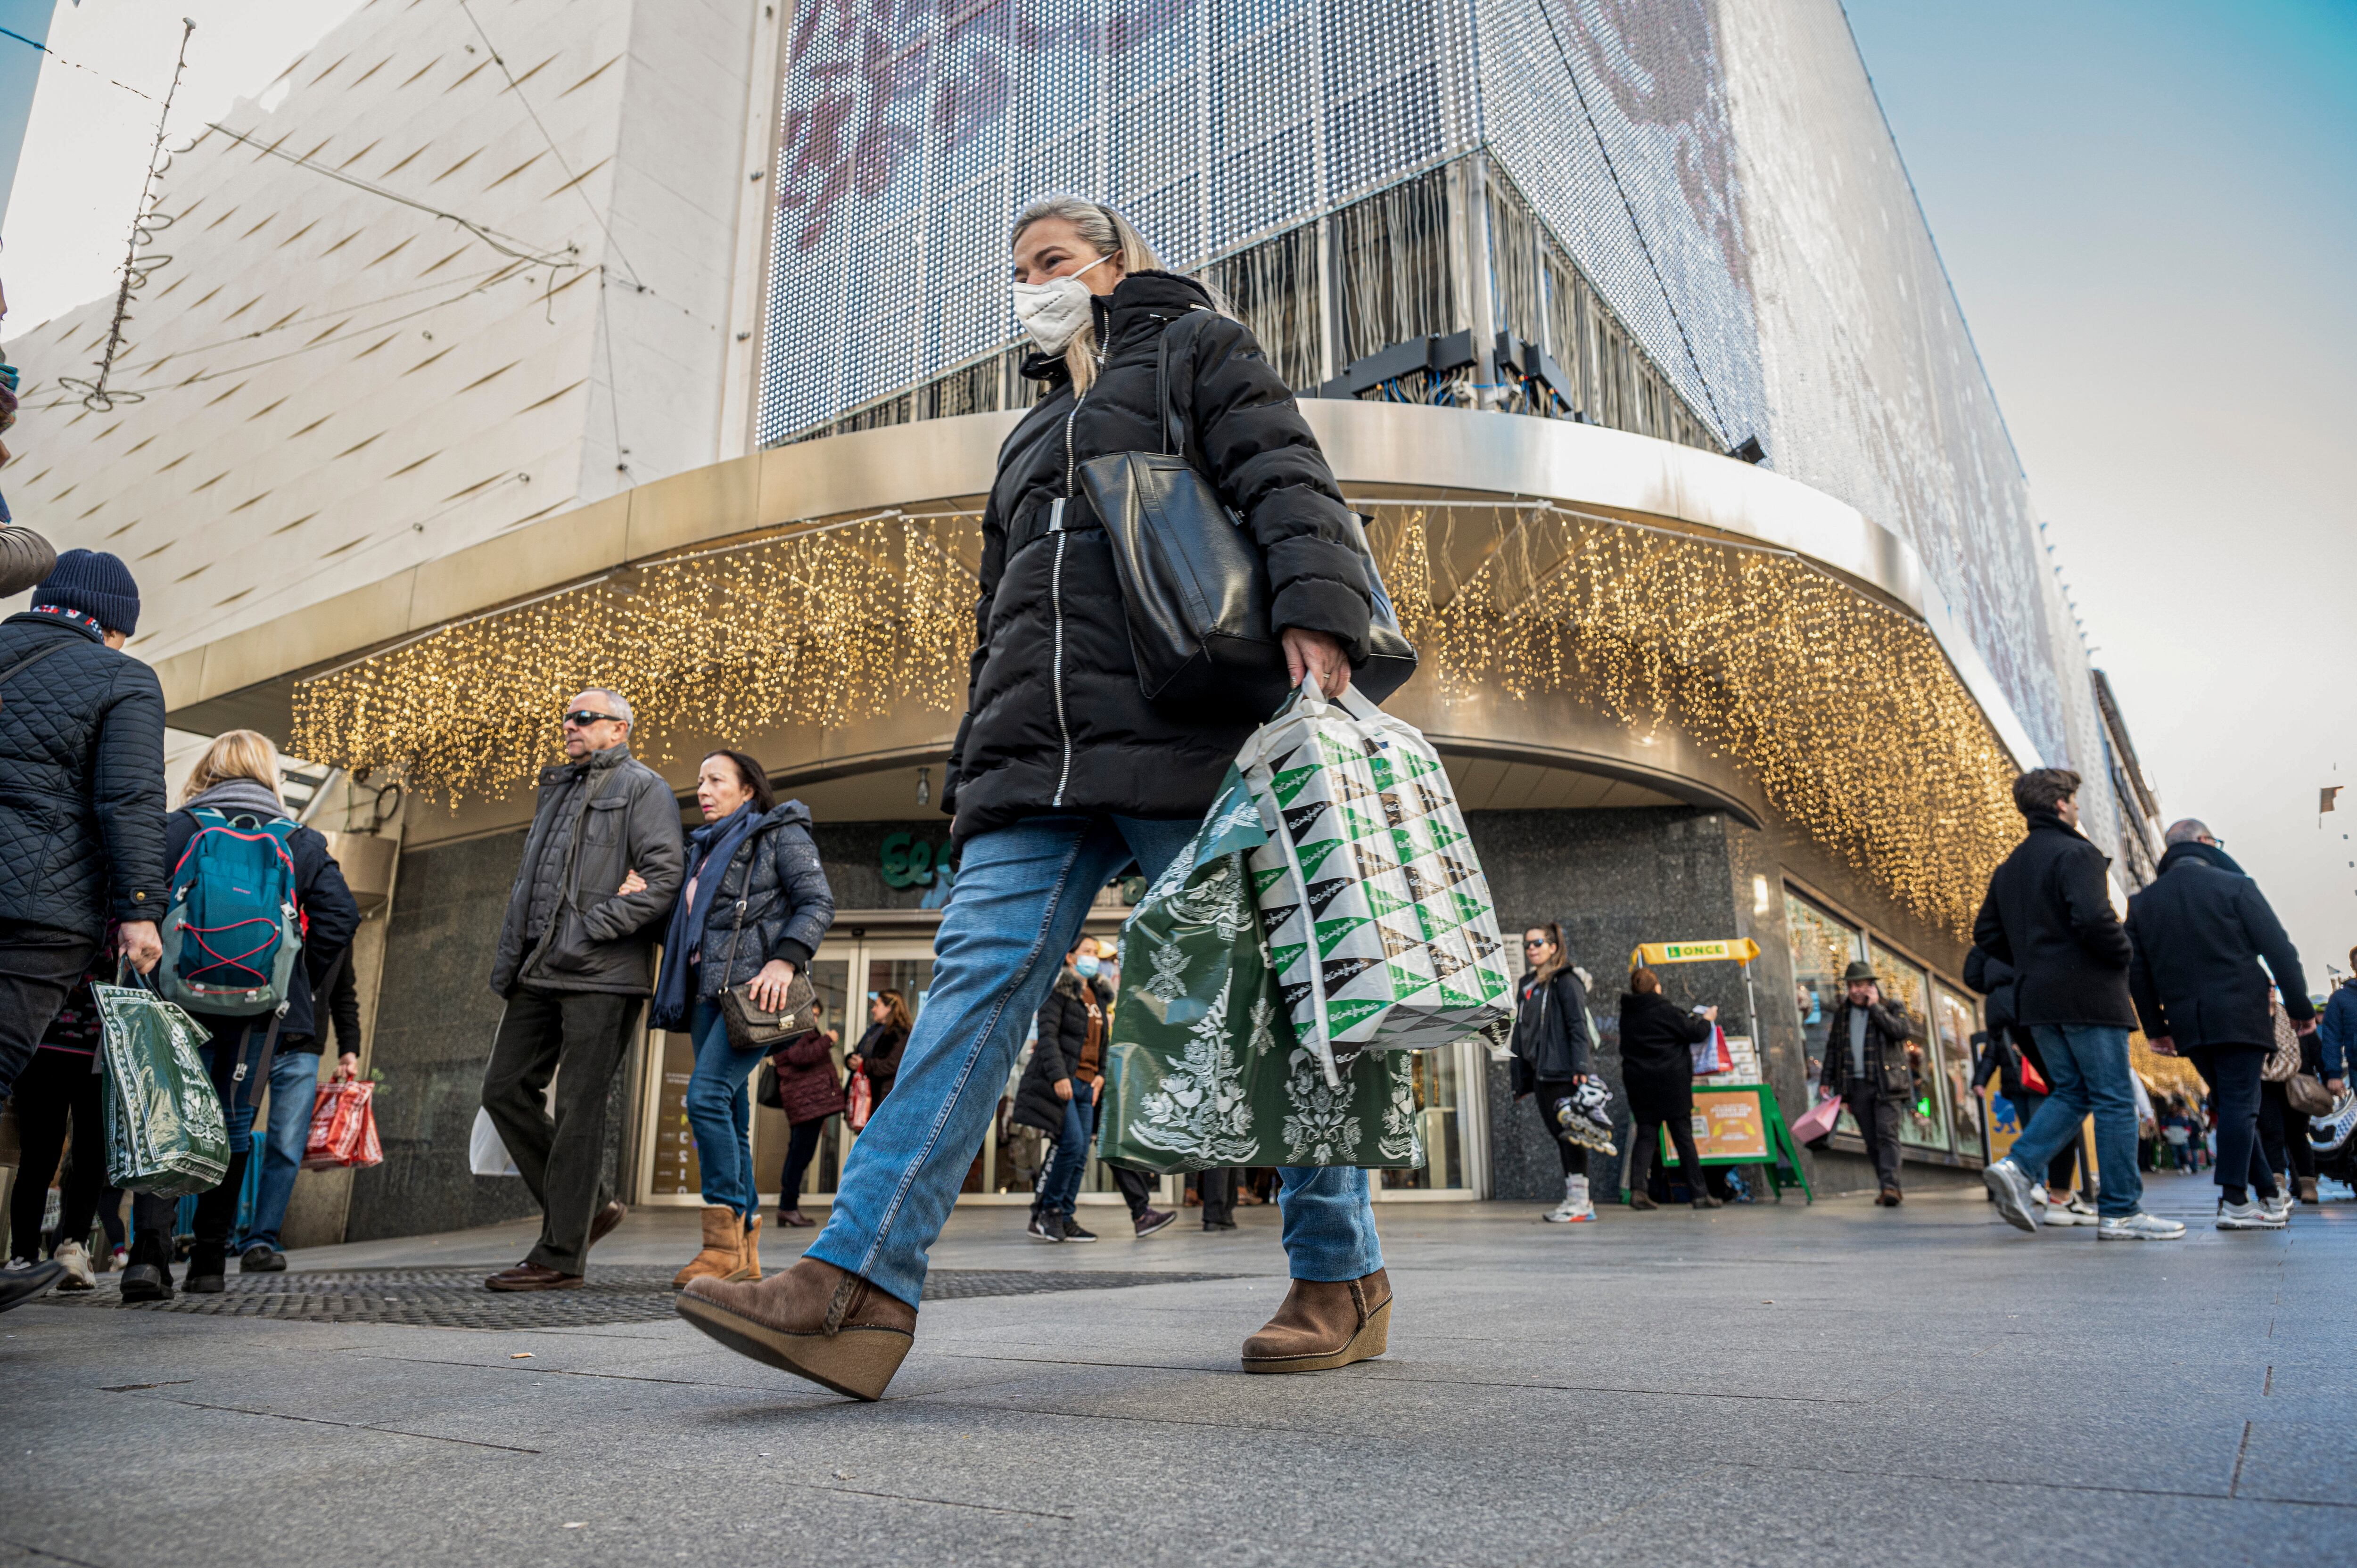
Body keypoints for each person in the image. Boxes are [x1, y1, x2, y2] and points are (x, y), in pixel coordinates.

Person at [676, 194, 1381, 1397]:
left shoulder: (1197, 350)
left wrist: (1319, 610)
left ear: (1116, 265)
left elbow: (1285, 475)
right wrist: (977, 751)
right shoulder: (1026, 432)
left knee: (1275, 1001)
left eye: (1053, 263)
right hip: (1032, 768)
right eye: (1018, 271)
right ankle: (854, 1285)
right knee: (964, 1001)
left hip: (1188, 732)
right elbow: (1005, 613)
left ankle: (1337, 1274)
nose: (1033, 285)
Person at [122, 731, 360, 1300]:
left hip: (177, 998)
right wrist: (290, 972)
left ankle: (148, 1261)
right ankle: (208, 1262)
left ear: (208, 767)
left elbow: (135, 896)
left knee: (169, 1115)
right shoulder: (298, 840)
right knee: (234, 1125)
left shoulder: (178, 828)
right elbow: (341, 915)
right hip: (258, 1009)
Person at [480, 690, 684, 1291]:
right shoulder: (559, 789)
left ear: (618, 730)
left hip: (601, 972)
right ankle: (589, 1205)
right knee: (504, 1090)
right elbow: (532, 883)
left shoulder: (643, 787)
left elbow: (664, 876)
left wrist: (595, 928)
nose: (569, 725)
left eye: (583, 718)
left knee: (578, 1109)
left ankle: (560, 1253)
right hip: (538, 968)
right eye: (567, 718)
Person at [651, 750, 835, 1289]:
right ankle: (744, 1251)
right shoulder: (699, 853)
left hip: (756, 995)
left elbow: (817, 902)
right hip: (706, 995)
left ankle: (720, 1242)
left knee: (704, 1098)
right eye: (699, 780)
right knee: (730, 1115)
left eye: (715, 780)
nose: (702, 790)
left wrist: (784, 959)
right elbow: (690, 927)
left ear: (748, 789)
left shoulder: (779, 833)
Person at [1973, 768, 2184, 1240]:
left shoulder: (2009, 868)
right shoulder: (2077, 853)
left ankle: (2017, 1167)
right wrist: (2121, 953)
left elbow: (1984, 935)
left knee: (2072, 1092)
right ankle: (2120, 1210)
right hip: (2088, 993)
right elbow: (2093, 917)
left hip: (2038, 998)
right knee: (2111, 1098)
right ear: (2061, 805)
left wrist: (2034, 958)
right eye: (2072, 799)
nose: (2076, 807)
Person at [2126, 818, 2315, 1231]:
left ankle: (2268, 1193)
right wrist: (2300, 1008)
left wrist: (2156, 1028)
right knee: (2240, 1106)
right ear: (2206, 842)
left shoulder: (2143, 903)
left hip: (2188, 1023)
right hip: (2240, 1014)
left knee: (2232, 1105)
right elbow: (2280, 950)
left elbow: (2137, 973)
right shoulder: (2235, 886)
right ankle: (2233, 1200)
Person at [237, 919, 365, 1271]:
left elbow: (344, 990)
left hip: (303, 1046)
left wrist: (349, 1048)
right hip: (251, 1033)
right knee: (232, 1136)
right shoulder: (271, 905)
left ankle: (259, 1239)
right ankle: (212, 1236)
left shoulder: (334, 924)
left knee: (286, 1146)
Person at [5, 942, 118, 1289]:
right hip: (98, 1046)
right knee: (90, 1151)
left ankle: (24, 1255)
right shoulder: (123, 899)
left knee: (38, 1155)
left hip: (41, 1039)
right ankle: (73, 1247)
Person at [1965, 948, 2095, 1223]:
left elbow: (1972, 975)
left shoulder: (1994, 926)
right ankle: (2022, 1171)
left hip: (2007, 1008)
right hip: (2040, 1002)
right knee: (2073, 1094)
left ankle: (2058, 1194)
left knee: (2065, 1098)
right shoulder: (2031, 917)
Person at [1016, 937, 1112, 1242]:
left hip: (1088, 1084)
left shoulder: (1098, 993)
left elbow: (1103, 1042)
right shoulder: (1058, 990)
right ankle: (1050, 1213)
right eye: (1087, 952)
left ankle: (1067, 1216)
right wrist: (1060, 1077)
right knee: (1070, 1144)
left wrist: (1102, 1075)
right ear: (1071, 957)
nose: (1093, 958)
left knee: (1082, 1151)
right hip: (1064, 1082)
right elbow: (1047, 1035)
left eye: (1096, 954)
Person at [1509, 923, 1599, 1222]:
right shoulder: (1528, 984)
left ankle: (1581, 1202)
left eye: (1537, 943)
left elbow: (1577, 1027)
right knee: (1560, 1135)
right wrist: (1521, 1080)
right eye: (1527, 945)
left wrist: (1581, 1067)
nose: (1531, 949)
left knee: (1571, 1136)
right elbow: (1521, 1034)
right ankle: (1575, 1198)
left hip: (1564, 1073)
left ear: (1553, 946)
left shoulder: (1566, 981)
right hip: (1541, 1073)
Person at [1814, 960, 1916, 1207]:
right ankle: (1886, 1186)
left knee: (1887, 1134)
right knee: (1871, 1140)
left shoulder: (1891, 1006)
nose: (1855, 991)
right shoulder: (1843, 1013)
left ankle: (1891, 1187)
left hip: (1887, 1083)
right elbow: (1834, 1048)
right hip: (1856, 1086)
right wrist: (1826, 1079)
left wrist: (1876, 1009)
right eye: (1851, 986)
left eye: (1859, 985)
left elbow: (1902, 1031)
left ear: (1871, 985)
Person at [1618, 968, 1718, 1211]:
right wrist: (1707, 1019)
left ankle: (1639, 1191)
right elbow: (1694, 1034)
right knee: (1683, 1138)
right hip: (1671, 1084)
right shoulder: (1666, 1010)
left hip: (1639, 1084)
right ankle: (1700, 1194)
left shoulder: (1628, 1014)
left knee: (1646, 1135)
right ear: (1656, 987)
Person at [771, 1000, 846, 1231]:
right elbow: (800, 1056)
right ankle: (788, 1207)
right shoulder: (795, 1029)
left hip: (809, 1101)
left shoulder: (797, 1028)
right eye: (812, 1014)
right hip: (806, 1101)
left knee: (800, 1153)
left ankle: (788, 1207)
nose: (815, 1019)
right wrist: (828, 1040)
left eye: (817, 1015)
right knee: (800, 1155)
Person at [846, 989, 911, 1112]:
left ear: (889, 1008)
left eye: (877, 1005)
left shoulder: (900, 1033)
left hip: (882, 1098)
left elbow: (892, 1065)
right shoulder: (874, 1030)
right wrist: (851, 1060)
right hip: (865, 1097)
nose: (873, 1010)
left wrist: (863, 1065)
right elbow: (862, 1054)